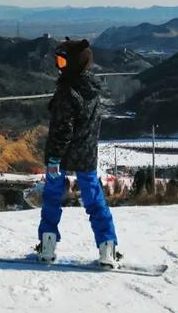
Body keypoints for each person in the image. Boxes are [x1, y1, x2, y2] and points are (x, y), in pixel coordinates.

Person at [36, 37, 121, 267]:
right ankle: (108, 248)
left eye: (62, 62)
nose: (58, 66)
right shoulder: (92, 89)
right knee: (94, 200)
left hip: (62, 156)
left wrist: (53, 158)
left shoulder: (67, 91)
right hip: (87, 154)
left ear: (74, 64)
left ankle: (47, 246)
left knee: (52, 197)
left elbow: (63, 130)